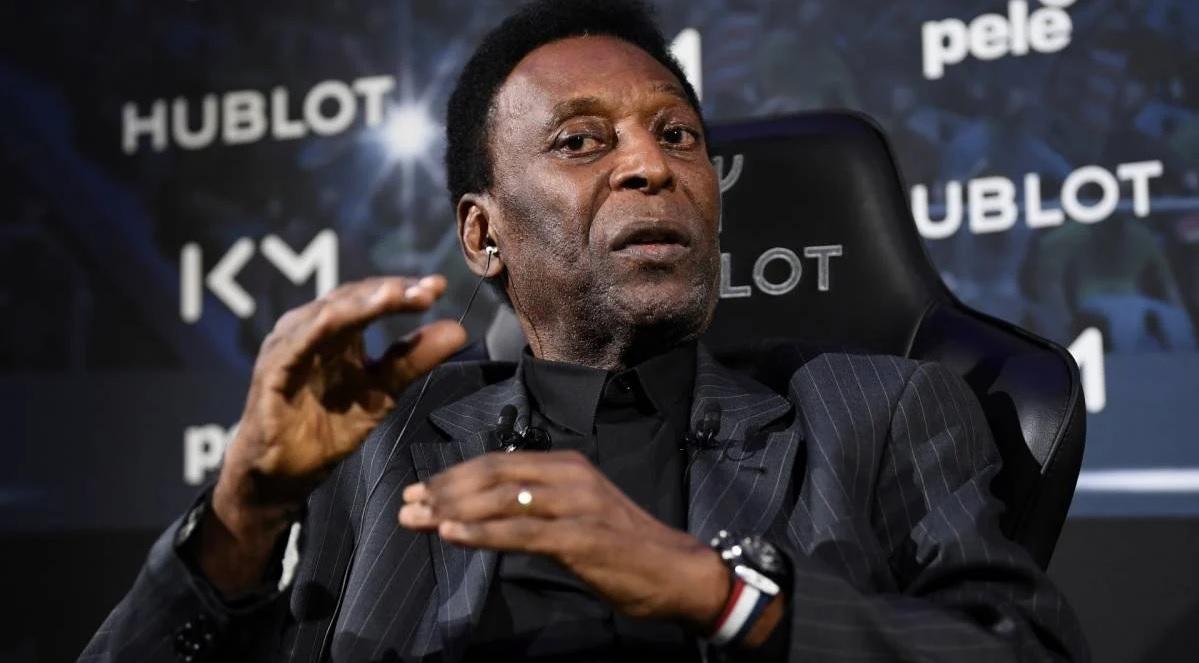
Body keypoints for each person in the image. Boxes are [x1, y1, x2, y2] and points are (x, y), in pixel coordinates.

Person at [82, 1, 1088, 661]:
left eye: (677, 135)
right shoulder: (387, 442)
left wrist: (723, 595)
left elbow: (1022, 651)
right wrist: (245, 514)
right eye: (579, 141)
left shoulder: (873, 411)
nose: (652, 166)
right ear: (483, 236)